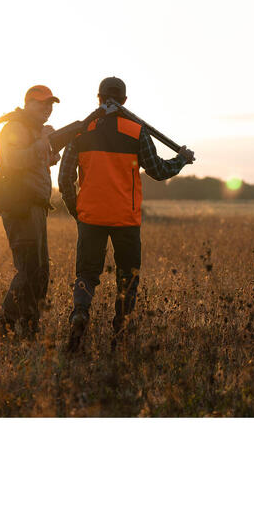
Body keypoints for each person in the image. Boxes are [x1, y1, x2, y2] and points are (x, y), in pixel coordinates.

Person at [58, 76, 194, 351]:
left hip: (90, 217)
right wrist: (181, 159)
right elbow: (158, 171)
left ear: (98, 98)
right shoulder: (136, 131)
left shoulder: (81, 131)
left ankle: (81, 313)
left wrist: (77, 209)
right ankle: (119, 334)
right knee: (127, 277)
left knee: (86, 274)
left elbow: (64, 178)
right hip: (126, 219)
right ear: (125, 101)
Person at [0, 84, 61, 339]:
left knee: (41, 272)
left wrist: (48, 155)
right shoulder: (15, 128)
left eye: (51, 104)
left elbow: (30, 163)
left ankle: (30, 328)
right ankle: (2, 327)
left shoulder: (31, 130)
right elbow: (14, 161)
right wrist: (42, 142)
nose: (48, 109)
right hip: (21, 206)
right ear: (28, 103)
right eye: (42, 103)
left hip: (35, 206)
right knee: (29, 269)